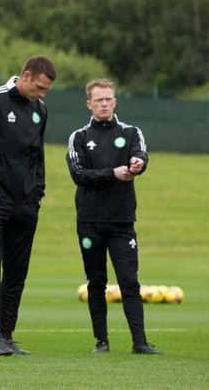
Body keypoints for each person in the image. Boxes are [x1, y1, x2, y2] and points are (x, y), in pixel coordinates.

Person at [0, 56, 56, 356]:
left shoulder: (40, 110)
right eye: (40, 87)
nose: (43, 94)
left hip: (26, 204)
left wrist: (37, 194)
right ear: (26, 76)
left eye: (46, 90)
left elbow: (37, 156)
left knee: (17, 271)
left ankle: (8, 334)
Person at [66, 78, 161, 354]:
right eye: (99, 100)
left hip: (122, 222)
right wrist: (112, 174)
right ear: (89, 104)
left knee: (129, 280)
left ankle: (140, 342)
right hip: (89, 222)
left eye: (108, 99)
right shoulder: (79, 137)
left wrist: (138, 164)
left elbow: (141, 155)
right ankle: (101, 341)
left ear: (115, 101)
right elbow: (78, 174)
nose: (104, 103)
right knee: (96, 282)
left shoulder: (131, 132)